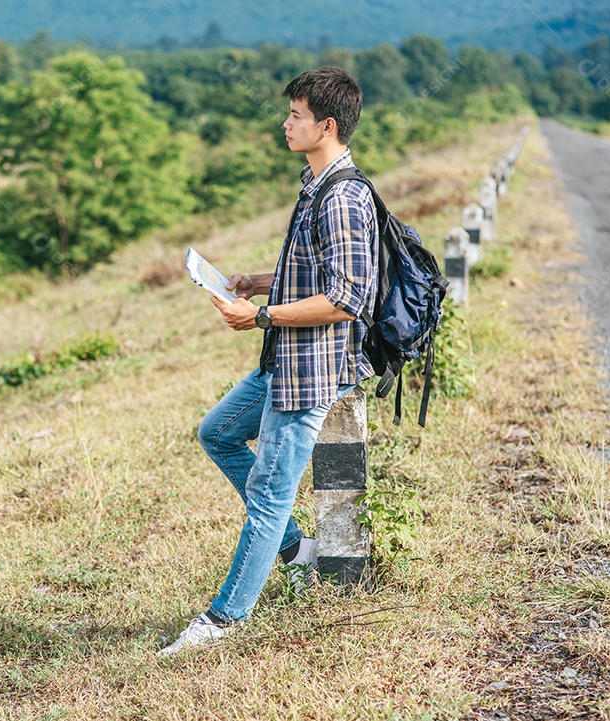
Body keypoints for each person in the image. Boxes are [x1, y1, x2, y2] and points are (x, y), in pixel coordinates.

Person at [158, 66, 378, 656]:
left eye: (297, 116)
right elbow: (316, 273)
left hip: (309, 372)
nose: (286, 124)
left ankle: (224, 619)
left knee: (268, 494)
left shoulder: (342, 196)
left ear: (326, 125)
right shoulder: (314, 184)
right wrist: (260, 282)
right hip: (283, 361)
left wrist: (259, 317)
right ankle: (298, 551)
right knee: (218, 433)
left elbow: (347, 297)